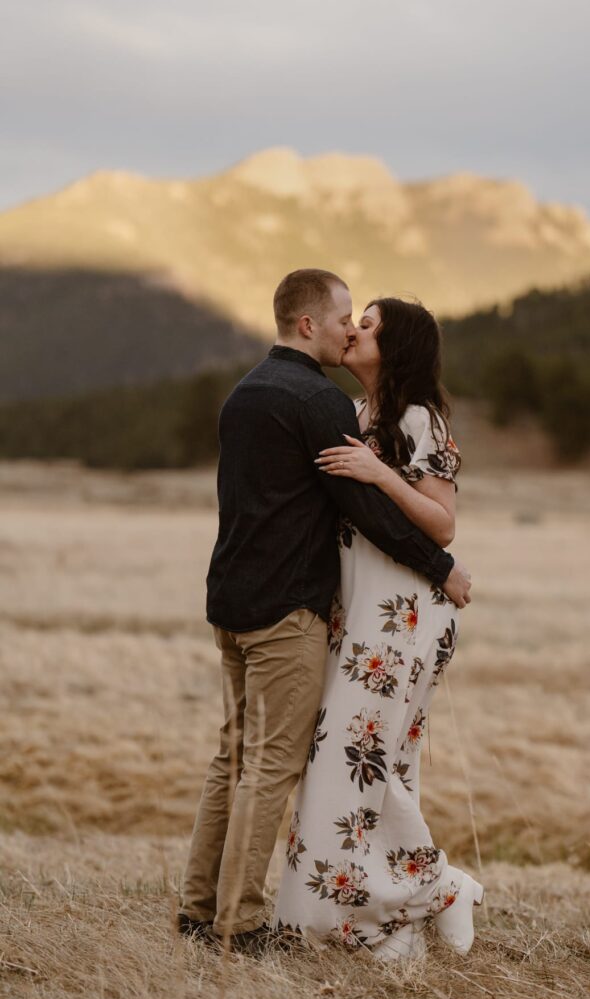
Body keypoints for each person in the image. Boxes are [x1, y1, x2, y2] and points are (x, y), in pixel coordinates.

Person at [177, 269, 472, 956]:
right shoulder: (323, 403)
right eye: (346, 317)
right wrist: (444, 570)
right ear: (309, 325)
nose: (350, 328)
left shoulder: (245, 392)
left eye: (363, 323)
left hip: (234, 603)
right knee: (273, 764)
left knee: (236, 759)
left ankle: (199, 909)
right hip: (289, 612)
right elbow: (365, 511)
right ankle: (241, 923)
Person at [274, 297, 483, 960]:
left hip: (404, 614)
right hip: (359, 610)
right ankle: (390, 908)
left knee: (356, 758)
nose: (353, 331)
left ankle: (425, 891)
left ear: (395, 349)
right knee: (368, 763)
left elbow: (442, 525)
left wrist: (377, 474)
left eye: (368, 326)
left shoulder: (419, 418)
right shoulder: (361, 414)